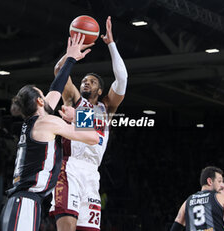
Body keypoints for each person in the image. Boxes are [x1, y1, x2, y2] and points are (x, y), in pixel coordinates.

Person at [0, 33, 99, 231]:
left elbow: (57, 85)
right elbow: (93, 137)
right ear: (39, 101)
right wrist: (77, 115)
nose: (47, 96)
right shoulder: (47, 123)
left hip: (25, 202)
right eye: (42, 94)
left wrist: (70, 57)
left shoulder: (37, 121)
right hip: (24, 203)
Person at [49, 16, 128, 231]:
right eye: (84, 80)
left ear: (100, 90)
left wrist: (111, 44)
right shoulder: (75, 99)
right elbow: (59, 72)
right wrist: (72, 52)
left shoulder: (107, 108)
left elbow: (122, 79)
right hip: (70, 167)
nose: (86, 82)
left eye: (92, 81)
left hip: (93, 174)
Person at [170, 166, 224, 231]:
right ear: (210, 181)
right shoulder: (220, 198)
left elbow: (176, 227)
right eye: (219, 181)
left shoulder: (188, 201)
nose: (220, 185)